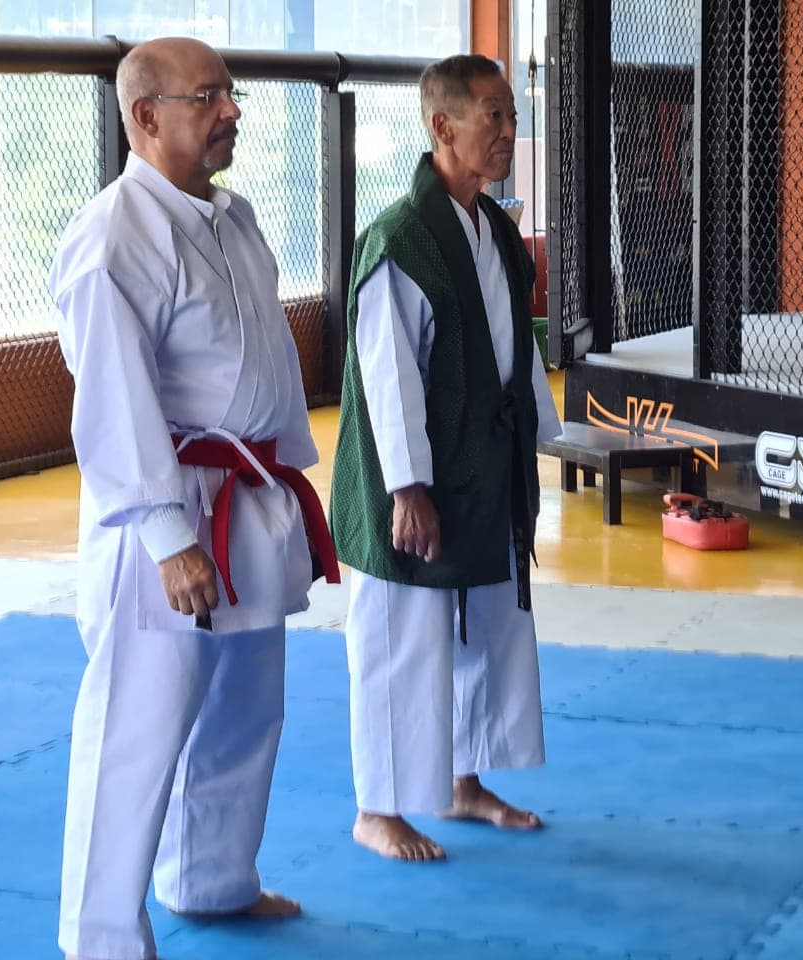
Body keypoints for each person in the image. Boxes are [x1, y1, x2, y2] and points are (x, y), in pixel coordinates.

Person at [49, 36, 339, 959]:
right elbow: (113, 401)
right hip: (166, 513)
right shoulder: (112, 237)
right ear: (146, 116)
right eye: (208, 97)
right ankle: (101, 937)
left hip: (246, 495)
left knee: (247, 707)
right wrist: (168, 535)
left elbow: (259, 366)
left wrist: (286, 490)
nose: (232, 112)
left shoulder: (232, 215)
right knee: (135, 730)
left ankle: (212, 878)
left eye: (230, 93)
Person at [330, 54, 561, 862]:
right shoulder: (400, 239)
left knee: (482, 624)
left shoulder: (492, 225)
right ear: (442, 126)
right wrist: (407, 488)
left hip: (483, 463)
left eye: (511, 115)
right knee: (402, 636)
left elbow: (512, 353)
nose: (508, 130)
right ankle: (378, 809)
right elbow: (387, 375)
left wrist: (537, 440)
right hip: (415, 476)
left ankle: (463, 782)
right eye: (493, 114)